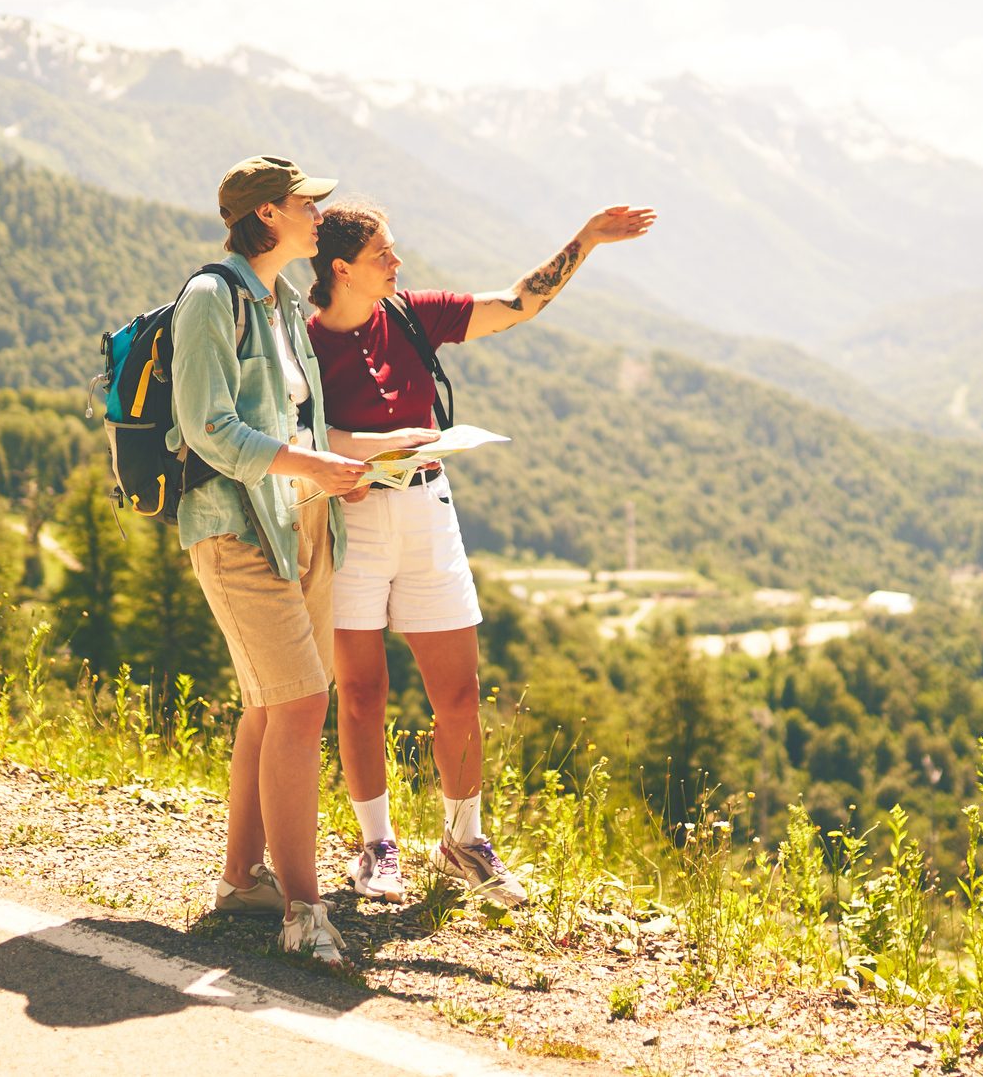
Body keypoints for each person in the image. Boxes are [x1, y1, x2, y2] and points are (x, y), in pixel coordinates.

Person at [306, 200, 656, 906]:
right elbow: (295, 435)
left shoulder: (410, 315)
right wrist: (363, 452)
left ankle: (463, 839)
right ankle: (376, 847)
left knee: (459, 695)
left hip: (430, 512)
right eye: (384, 255)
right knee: (363, 694)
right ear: (341, 268)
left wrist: (585, 240)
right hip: (355, 525)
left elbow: (516, 303)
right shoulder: (304, 344)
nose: (397, 264)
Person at [171, 156, 420, 964]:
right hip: (237, 530)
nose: (322, 211)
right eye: (307, 202)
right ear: (269, 215)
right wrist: (308, 467)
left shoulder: (278, 302)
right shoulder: (213, 299)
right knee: (303, 703)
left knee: (269, 706)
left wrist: (348, 467)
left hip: (302, 521)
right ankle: (305, 911)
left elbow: (299, 423)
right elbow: (208, 426)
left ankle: (244, 881)